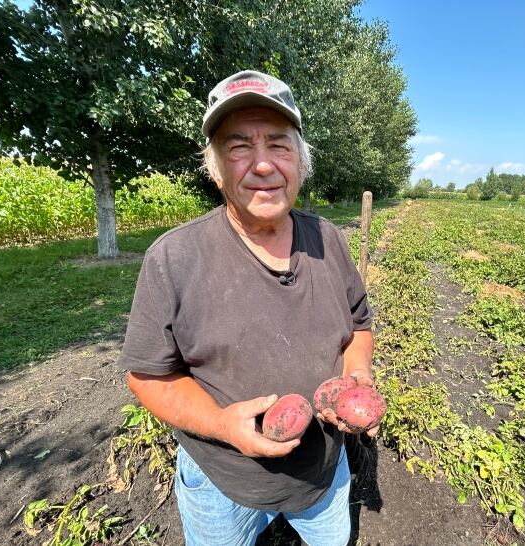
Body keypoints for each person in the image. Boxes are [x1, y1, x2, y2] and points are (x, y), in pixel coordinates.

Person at [118, 70, 376, 546]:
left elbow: (359, 325)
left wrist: (357, 375)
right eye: (239, 147)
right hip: (222, 482)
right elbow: (147, 374)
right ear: (215, 169)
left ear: (300, 161)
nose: (262, 165)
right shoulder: (174, 258)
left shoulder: (330, 240)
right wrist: (220, 425)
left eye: (279, 145)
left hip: (323, 472)